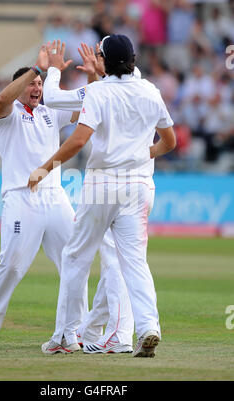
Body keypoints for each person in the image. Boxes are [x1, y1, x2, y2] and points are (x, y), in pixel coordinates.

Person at [0, 45, 133, 354]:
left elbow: (90, 110)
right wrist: (37, 69)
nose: (36, 88)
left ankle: (76, 331)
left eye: (40, 85)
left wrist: (94, 77)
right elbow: (3, 99)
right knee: (13, 265)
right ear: (21, 86)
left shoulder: (50, 113)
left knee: (76, 263)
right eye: (31, 84)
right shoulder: (8, 114)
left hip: (55, 197)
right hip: (22, 196)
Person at [29, 35, 176, 358]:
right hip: (139, 186)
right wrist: (139, 156)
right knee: (135, 262)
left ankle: (65, 335)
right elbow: (170, 141)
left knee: (75, 257)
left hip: (102, 184)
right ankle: (149, 326)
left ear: (106, 61)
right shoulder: (150, 91)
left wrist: (44, 168)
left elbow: (80, 140)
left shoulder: (98, 92)